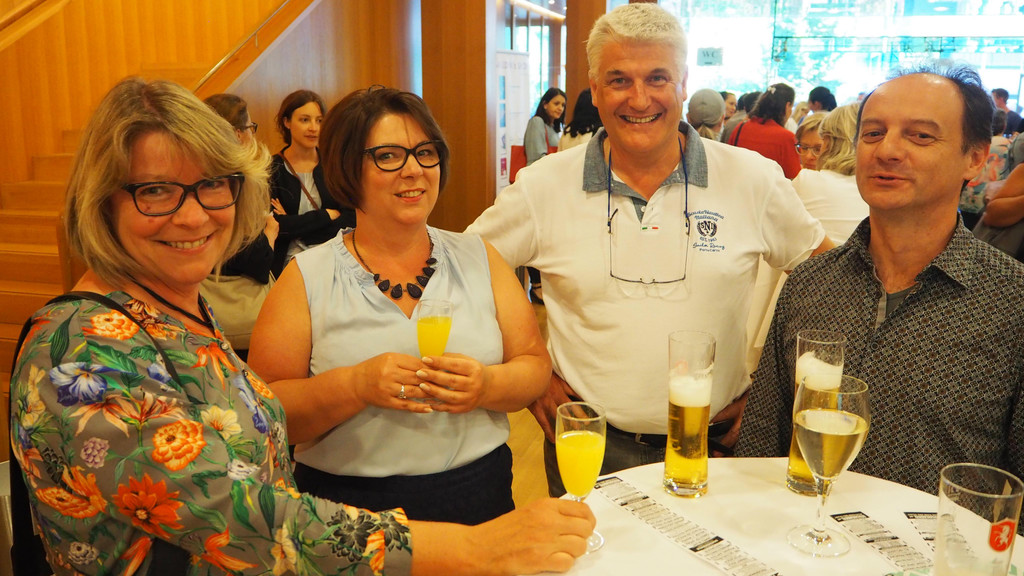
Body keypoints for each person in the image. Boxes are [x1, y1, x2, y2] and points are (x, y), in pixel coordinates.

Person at [8, 77, 594, 576]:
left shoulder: (178, 312)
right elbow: (236, 515)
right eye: (155, 191)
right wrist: (471, 547)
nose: (191, 215)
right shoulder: (79, 348)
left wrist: (487, 388)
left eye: (212, 184)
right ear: (101, 200)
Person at [467, 3, 830, 496]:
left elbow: (833, 280)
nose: (639, 99)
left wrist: (775, 391)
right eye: (619, 80)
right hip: (589, 447)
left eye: (657, 78)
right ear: (595, 89)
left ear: (683, 84)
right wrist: (530, 368)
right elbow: (464, 271)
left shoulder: (752, 178)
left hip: (715, 447)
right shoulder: (542, 185)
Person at [247, 87, 551, 526]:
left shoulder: (479, 257)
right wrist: (355, 386)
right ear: (347, 169)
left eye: (425, 153)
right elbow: (266, 410)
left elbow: (534, 366)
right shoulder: (307, 276)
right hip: (348, 512)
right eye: (388, 156)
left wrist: (485, 385)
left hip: (478, 495)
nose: (414, 170)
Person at [736, 65, 1024, 499]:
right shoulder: (811, 283)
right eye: (872, 133)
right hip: (802, 531)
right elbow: (761, 441)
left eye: (920, 136)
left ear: (975, 157)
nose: (887, 150)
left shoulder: (1011, 301)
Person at [201, 93, 279, 360]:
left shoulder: (194, 175)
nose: (252, 135)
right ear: (237, 133)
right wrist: (270, 232)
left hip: (202, 310)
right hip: (240, 321)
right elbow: (257, 262)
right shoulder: (244, 181)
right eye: (250, 128)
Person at [269, 89, 355, 276]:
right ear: (287, 122)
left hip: (335, 260)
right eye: (305, 120)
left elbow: (350, 219)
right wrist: (326, 215)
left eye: (319, 120)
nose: (313, 128)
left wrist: (295, 226)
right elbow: (275, 225)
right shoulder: (271, 168)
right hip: (287, 265)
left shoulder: (334, 163)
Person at [790, 103, 869, 244]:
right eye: (804, 147)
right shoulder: (876, 185)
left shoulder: (806, 180)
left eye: (817, 148)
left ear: (828, 141)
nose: (809, 156)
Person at [728, 83, 802, 179]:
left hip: (738, 184)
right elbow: (794, 177)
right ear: (787, 106)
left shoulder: (741, 127)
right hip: (768, 188)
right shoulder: (786, 138)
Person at [959, 109, 1011, 230]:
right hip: (989, 203)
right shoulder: (1009, 145)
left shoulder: (973, 143)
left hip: (966, 199)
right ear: (1004, 126)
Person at [525, 87, 566, 165]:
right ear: (545, 104)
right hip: (538, 170)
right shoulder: (537, 121)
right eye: (556, 104)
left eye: (563, 105)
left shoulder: (553, 127)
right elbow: (537, 157)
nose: (560, 108)